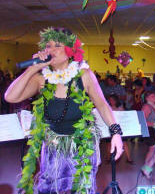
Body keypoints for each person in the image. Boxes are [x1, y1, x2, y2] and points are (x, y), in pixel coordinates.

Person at [5, 27, 123, 194]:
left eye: (57, 46)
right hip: (53, 146)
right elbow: (10, 97)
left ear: (70, 51)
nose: (50, 50)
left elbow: (103, 105)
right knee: (49, 189)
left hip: (81, 145)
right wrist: (32, 68)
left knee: (82, 189)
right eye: (48, 46)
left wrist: (116, 133)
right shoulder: (41, 79)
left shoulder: (84, 75)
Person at [141, 91, 155, 179]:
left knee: (151, 150)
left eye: (154, 95)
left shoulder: (154, 106)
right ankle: (147, 169)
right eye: (151, 95)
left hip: (154, 130)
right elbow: (142, 121)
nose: (154, 96)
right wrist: (154, 124)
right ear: (146, 98)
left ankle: (145, 168)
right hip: (149, 131)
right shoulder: (147, 106)